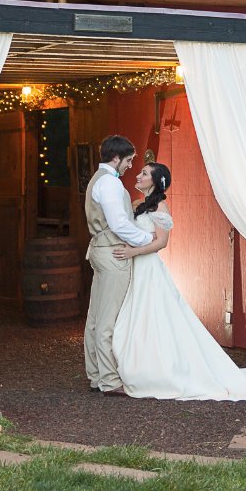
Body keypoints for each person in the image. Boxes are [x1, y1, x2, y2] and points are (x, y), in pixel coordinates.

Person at [110, 162, 246, 400]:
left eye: (144, 173)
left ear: (155, 181)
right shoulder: (138, 206)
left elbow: (160, 243)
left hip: (148, 268)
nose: (138, 175)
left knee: (153, 315)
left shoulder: (160, 208)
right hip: (135, 268)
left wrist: (132, 252)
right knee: (133, 314)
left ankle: (160, 368)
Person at [83, 135, 164, 395]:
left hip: (100, 250)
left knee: (95, 319)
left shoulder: (100, 180)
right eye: (129, 160)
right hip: (113, 253)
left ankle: (96, 375)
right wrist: (146, 239)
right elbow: (118, 224)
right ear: (116, 158)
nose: (130, 166)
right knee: (107, 321)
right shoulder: (109, 183)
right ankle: (109, 380)